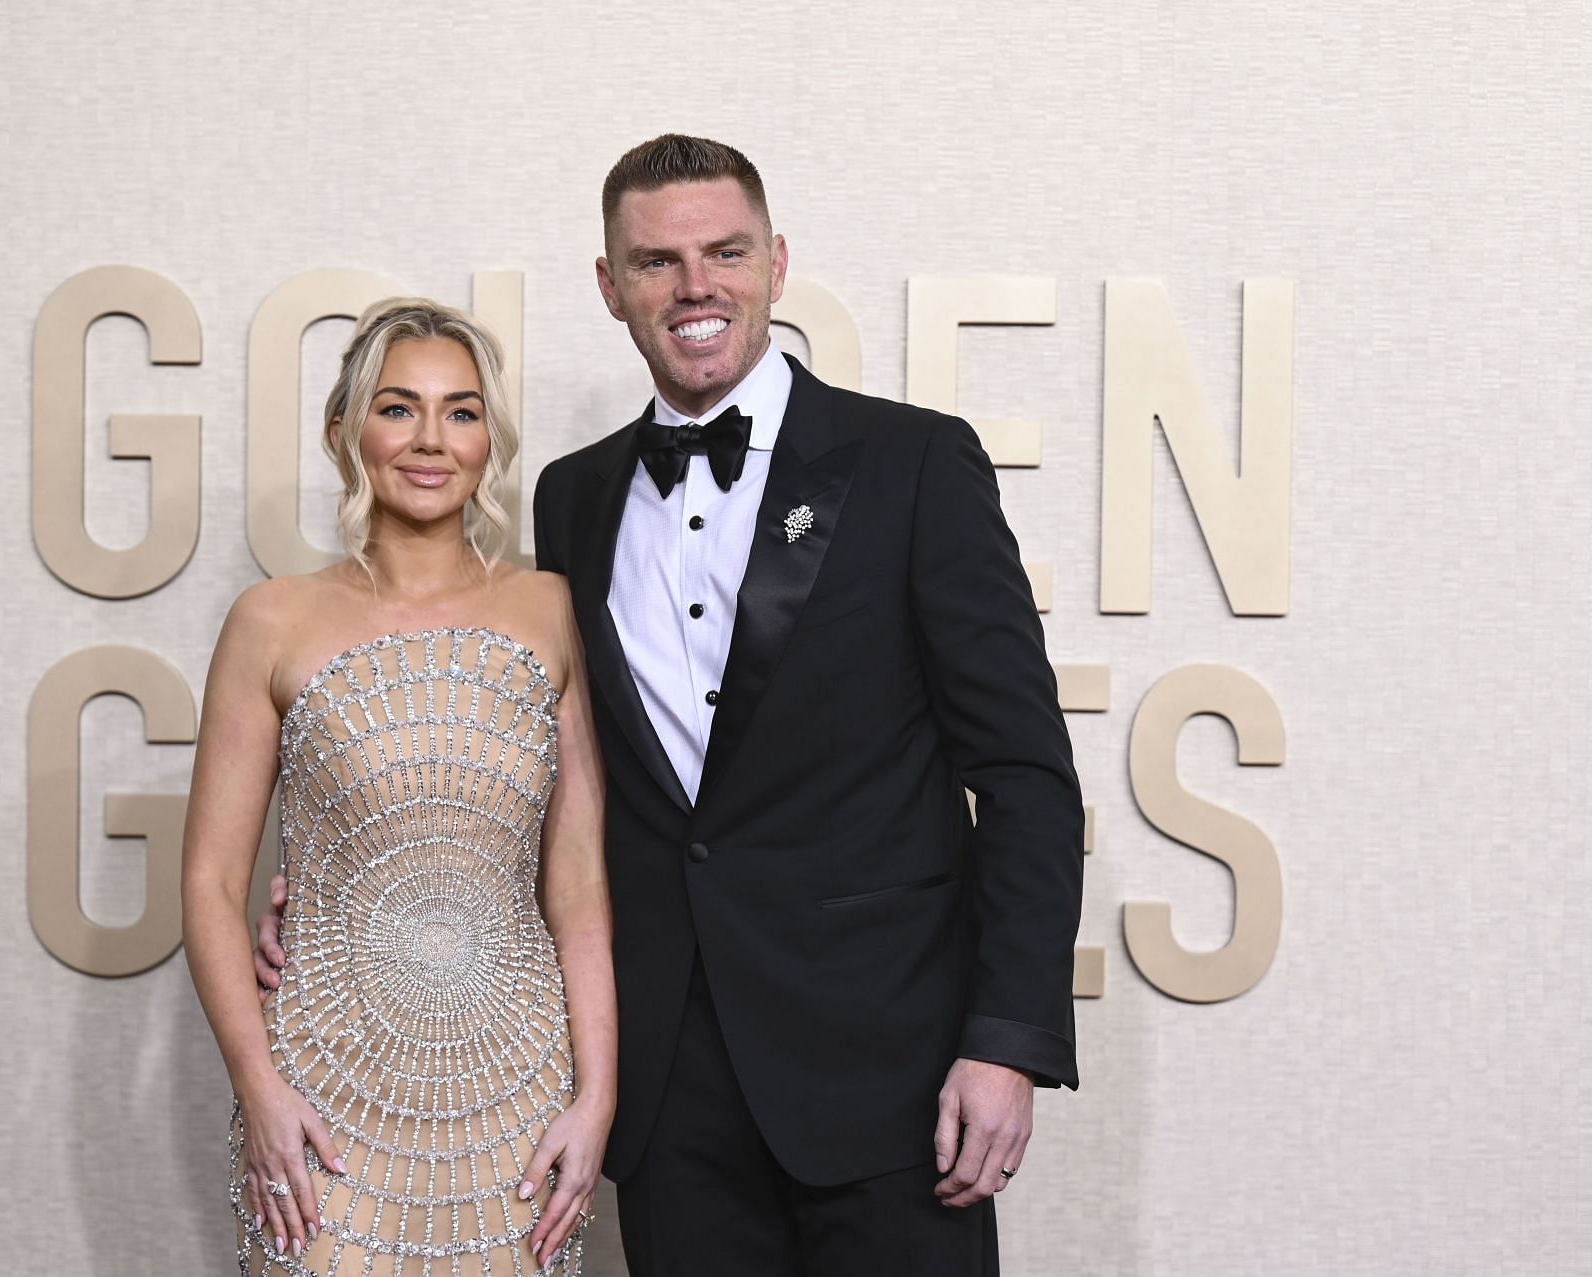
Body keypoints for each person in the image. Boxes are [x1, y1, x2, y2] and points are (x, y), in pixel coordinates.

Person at [261, 135, 1083, 1275]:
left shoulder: (916, 463)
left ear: (777, 263)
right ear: (611, 286)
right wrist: (358, 874)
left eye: (724, 252)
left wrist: (1006, 1042)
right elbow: (551, 777)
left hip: (888, 1078)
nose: (694, 286)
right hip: (669, 1095)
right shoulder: (575, 495)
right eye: (655, 262)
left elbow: (1027, 774)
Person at [183, 297, 616, 1275]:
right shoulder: (271, 620)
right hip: (323, 1085)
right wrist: (257, 1087)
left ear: (489, 440)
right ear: (344, 429)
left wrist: (599, 1097)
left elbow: (580, 880)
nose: (431, 439)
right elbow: (211, 881)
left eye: (461, 412)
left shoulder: (550, 609)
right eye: (397, 407)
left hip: (518, 1082)